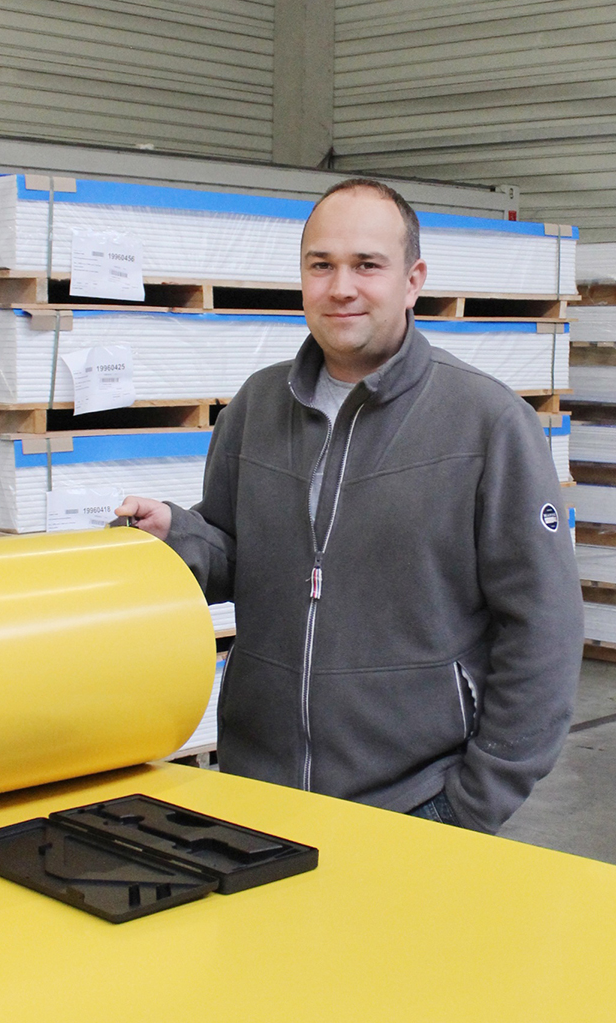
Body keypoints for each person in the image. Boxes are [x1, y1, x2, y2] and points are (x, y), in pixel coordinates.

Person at [117, 178, 583, 833]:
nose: (341, 287)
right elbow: (241, 555)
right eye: (321, 265)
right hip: (259, 792)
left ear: (412, 281)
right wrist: (181, 538)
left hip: (414, 804)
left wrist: (470, 804)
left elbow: (544, 627)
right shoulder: (256, 406)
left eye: (367, 265)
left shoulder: (487, 423)